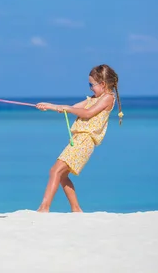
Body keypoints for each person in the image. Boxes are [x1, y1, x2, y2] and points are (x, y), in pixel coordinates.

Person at [34, 64, 123, 213]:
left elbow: (87, 113)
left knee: (55, 171)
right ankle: (76, 210)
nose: (90, 88)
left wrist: (67, 108)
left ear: (102, 84)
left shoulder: (108, 98)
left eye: (91, 85)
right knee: (61, 175)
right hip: (78, 139)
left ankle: (44, 208)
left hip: (85, 140)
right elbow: (73, 107)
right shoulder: (94, 98)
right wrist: (49, 106)